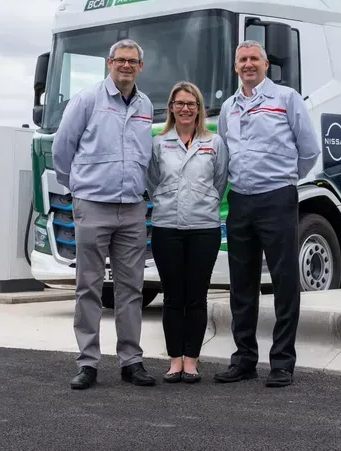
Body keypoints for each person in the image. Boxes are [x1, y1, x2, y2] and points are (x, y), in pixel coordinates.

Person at [213, 40, 320, 388]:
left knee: (284, 281)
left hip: (277, 199)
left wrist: (285, 180)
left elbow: (309, 150)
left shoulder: (286, 99)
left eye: (254, 59)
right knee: (241, 285)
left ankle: (282, 362)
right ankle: (244, 359)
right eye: (242, 59)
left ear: (266, 64)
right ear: (235, 66)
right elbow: (226, 153)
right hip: (240, 201)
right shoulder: (229, 106)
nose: (248, 64)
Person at [52, 38, 157, 390]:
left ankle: (132, 361)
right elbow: (62, 148)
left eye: (132, 61)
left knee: (131, 289)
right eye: (120, 60)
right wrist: (77, 190)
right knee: (89, 287)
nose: (126, 66)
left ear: (140, 67)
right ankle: (88, 363)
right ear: (109, 63)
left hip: (132, 209)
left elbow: (147, 155)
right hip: (93, 205)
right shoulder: (87, 99)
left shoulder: (145, 105)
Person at [146, 81, 229, 384]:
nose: (185, 109)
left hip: (204, 229)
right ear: (171, 108)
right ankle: (174, 360)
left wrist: (202, 203)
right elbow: (152, 181)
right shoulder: (159, 143)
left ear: (199, 109)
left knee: (196, 297)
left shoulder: (214, 143)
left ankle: (191, 360)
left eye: (190, 104)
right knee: (172, 298)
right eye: (179, 104)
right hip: (167, 227)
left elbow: (219, 182)